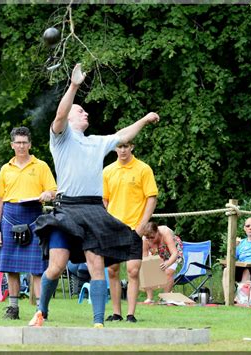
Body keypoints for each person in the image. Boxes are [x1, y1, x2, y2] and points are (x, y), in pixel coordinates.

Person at [28, 63, 159, 328]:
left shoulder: (96, 141)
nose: (85, 112)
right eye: (81, 110)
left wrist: (144, 120)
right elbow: (60, 115)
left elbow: (123, 135)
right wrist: (74, 86)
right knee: (57, 265)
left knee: (96, 264)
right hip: (67, 210)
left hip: (93, 210)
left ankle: (99, 322)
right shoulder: (62, 138)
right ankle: (41, 312)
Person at [0, 126, 57, 320]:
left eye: (24, 142)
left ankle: (40, 310)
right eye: (18, 143)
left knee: (37, 269)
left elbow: (53, 192)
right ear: (12, 145)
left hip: (34, 217)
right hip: (9, 216)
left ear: (30, 144)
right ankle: (13, 308)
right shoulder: (5, 168)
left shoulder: (41, 166)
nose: (21, 146)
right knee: (10, 267)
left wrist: (48, 194)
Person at [103, 142, 158, 323]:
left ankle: (131, 314)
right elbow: (104, 200)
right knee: (112, 270)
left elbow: (152, 197)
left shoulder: (143, 169)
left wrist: (143, 224)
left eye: (126, 146)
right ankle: (117, 313)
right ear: (115, 148)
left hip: (134, 227)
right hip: (113, 227)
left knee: (133, 271)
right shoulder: (108, 171)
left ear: (132, 146)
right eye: (119, 146)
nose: (123, 150)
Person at [141, 222, 183, 303]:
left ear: (157, 232)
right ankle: (149, 298)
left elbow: (174, 253)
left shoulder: (165, 232)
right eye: (148, 238)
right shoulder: (145, 239)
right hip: (158, 250)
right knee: (145, 269)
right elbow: (144, 258)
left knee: (168, 271)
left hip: (173, 250)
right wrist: (147, 267)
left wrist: (167, 263)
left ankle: (165, 297)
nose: (150, 240)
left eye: (152, 237)